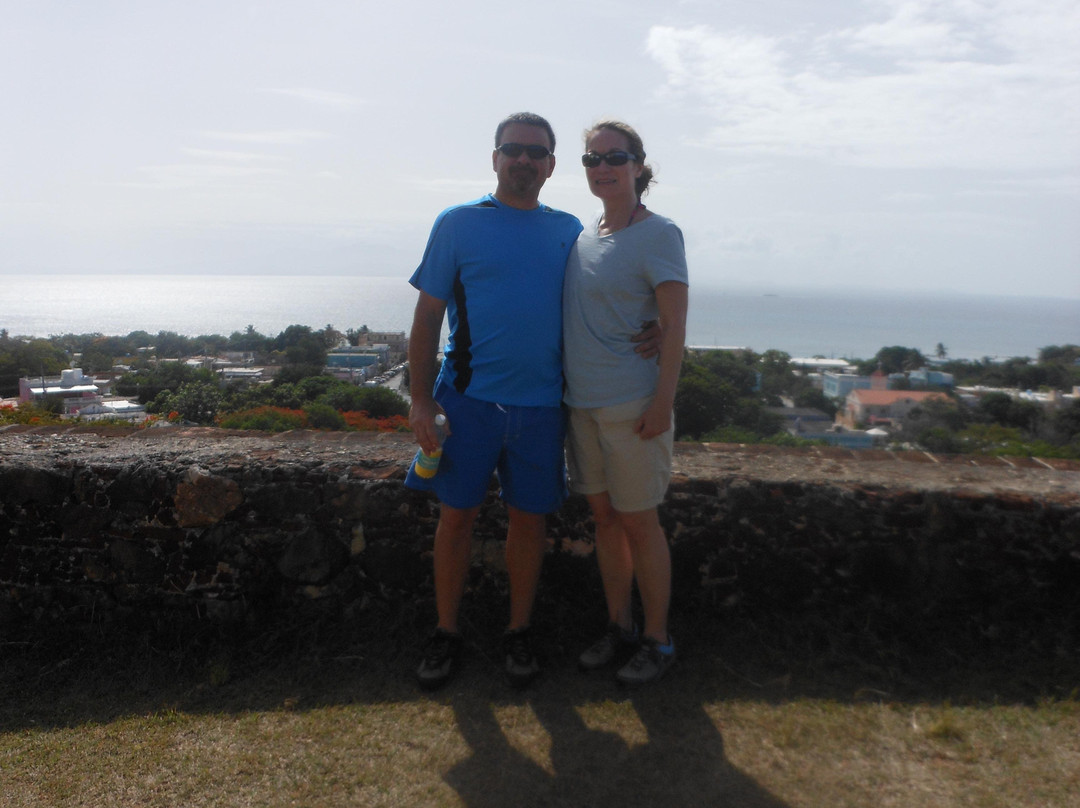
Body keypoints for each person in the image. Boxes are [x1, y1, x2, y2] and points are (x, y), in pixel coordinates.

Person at [406, 113, 658, 691]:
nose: (523, 160)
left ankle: (518, 632)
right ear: (495, 159)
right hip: (467, 401)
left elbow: (616, 289)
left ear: (550, 165)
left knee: (529, 523)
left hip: (544, 406)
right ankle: (446, 632)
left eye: (535, 152)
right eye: (512, 149)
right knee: (457, 517)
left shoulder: (568, 230)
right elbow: (427, 316)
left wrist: (665, 327)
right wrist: (421, 400)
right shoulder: (458, 223)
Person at [562, 120, 689, 685]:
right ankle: (620, 626)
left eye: (615, 157)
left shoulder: (659, 233)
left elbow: (676, 324)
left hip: (633, 405)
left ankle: (658, 640)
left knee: (641, 524)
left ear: (639, 165)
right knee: (605, 521)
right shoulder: (585, 234)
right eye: (592, 158)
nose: (603, 167)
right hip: (582, 405)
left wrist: (663, 402)